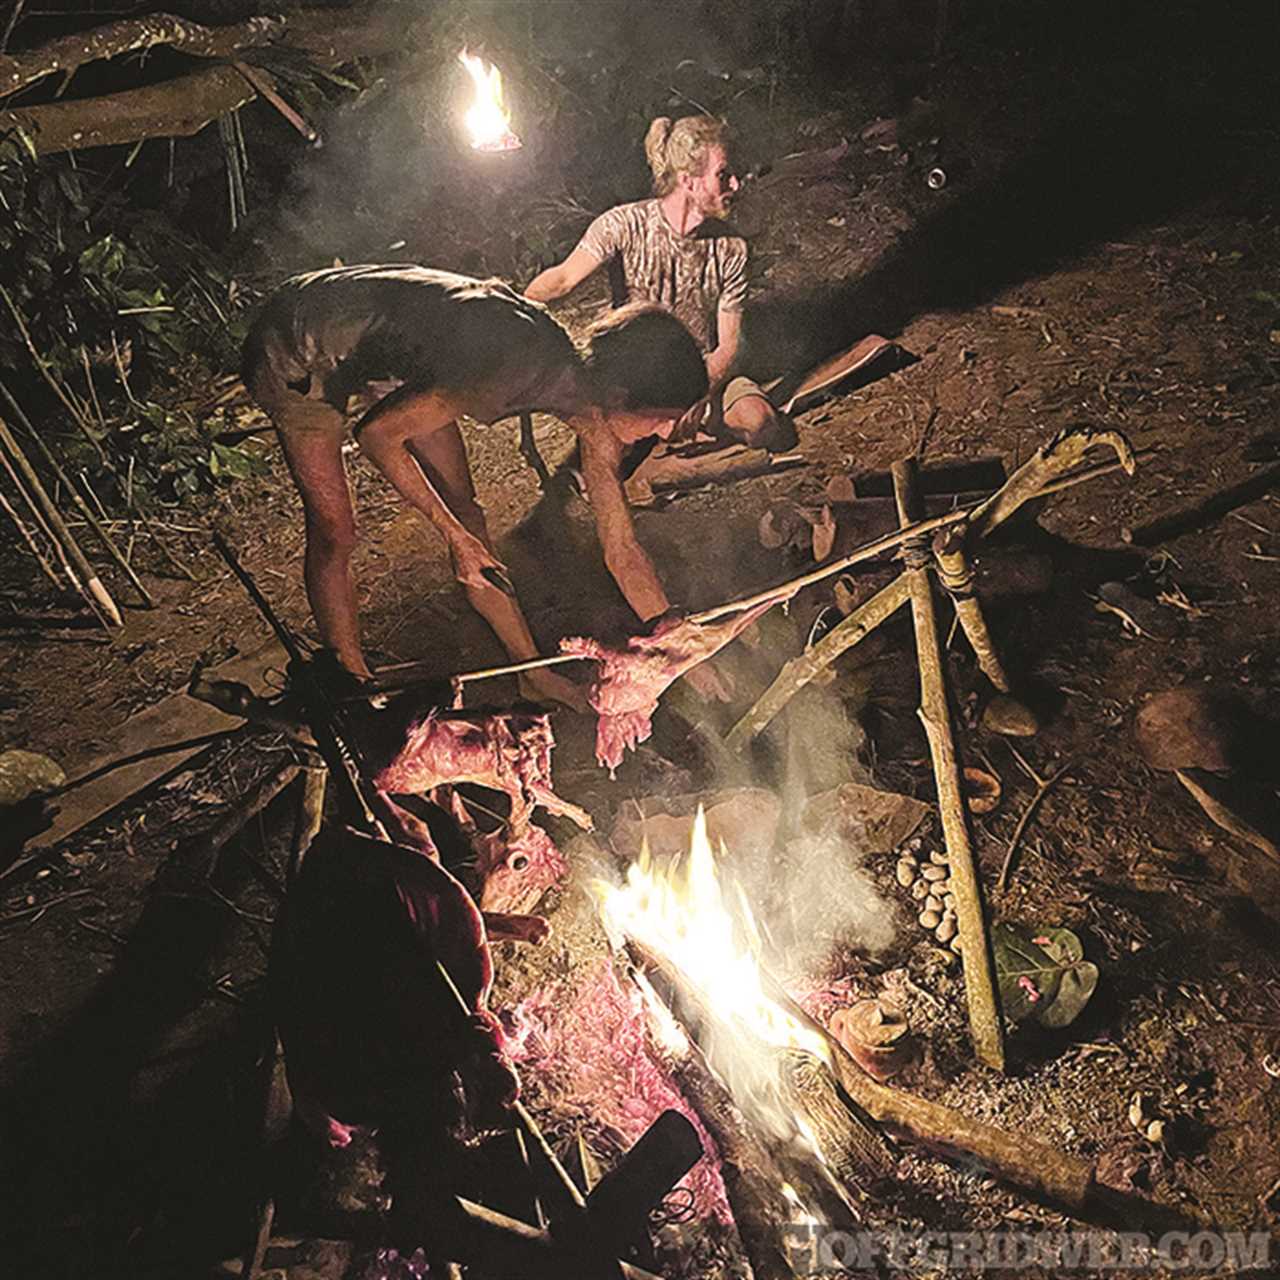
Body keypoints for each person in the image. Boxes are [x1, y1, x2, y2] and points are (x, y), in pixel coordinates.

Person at [242, 264, 708, 707]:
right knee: (336, 530)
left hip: (391, 359)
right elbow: (376, 436)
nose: (667, 434)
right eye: (664, 419)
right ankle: (353, 687)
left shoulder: (594, 411)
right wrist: (454, 537)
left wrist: (678, 647)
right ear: (620, 397)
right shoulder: (509, 367)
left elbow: (622, 550)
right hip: (300, 341)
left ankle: (532, 675)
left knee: (467, 510)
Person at [526, 114, 795, 452]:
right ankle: (650, 437)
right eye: (723, 175)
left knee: (762, 423)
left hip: (698, 376)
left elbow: (727, 346)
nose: (735, 185)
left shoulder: (730, 248)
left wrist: (697, 394)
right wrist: (512, 307)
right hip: (632, 379)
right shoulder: (622, 225)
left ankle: (672, 435)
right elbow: (563, 279)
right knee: (606, 448)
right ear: (689, 181)